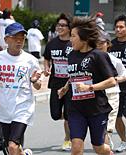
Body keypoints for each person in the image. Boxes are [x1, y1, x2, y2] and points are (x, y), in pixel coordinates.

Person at [57, 16, 117, 155]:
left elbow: (111, 81)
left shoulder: (99, 56)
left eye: (73, 36)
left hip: (97, 109)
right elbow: (73, 76)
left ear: (84, 39)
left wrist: (89, 88)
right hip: (76, 109)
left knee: (99, 148)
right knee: (76, 148)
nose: (70, 40)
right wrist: (65, 88)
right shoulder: (71, 55)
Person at [0, 22, 43, 155]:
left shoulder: (30, 60)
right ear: (6, 39)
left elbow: (38, 86)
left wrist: (34, 80)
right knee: (13, 147)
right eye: (15, 37)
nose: (19, 41)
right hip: (3, 108)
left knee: (12, 146)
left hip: (23, 107)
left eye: (21, 37)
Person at [43, 13, 73, 151]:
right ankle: (71, 119)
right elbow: (47, 59)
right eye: (58, 25)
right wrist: (47, 68)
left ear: (69, 27)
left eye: (63, 25)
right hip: (55, 83)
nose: (59, 27)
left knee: (68, 114)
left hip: (71, 84)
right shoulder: (52, 43)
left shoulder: (73, 43)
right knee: (55, 115)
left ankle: (67, 139)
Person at [110, 14, 126, 152]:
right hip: (115, 87)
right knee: (117, 117)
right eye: (116, 27)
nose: (118, 30)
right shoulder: (111, 45)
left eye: (121, 27)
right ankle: (124, 141)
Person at [97, 30, 126, 150]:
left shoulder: (114, 60)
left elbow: (123, 76)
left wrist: (112, 79)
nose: (99, 45)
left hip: (112, 93)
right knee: (100, 121)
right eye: (96, 43)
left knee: (109, 122)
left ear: (108, 44)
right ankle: (105, 142)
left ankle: (106, 143)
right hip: (97, 94)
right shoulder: (91, 59)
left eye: (101, 43)